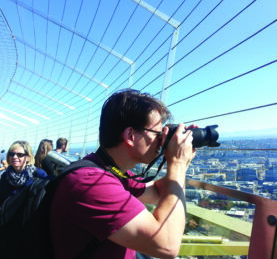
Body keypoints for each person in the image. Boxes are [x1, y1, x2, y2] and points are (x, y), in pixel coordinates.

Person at [50, 89, 196, 259]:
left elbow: (158, 192)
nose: (160, 140)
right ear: (130, 135)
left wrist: (182, 160)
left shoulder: (109, 172)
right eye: (157, 134)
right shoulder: (91, 183)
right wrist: (176, 162)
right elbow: (167, 245)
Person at [0, 140, 47, 206]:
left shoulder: (39, 174)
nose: (14, 157)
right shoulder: (5, 176)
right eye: (11, 154)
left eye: (20, 154)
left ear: (28, 157)